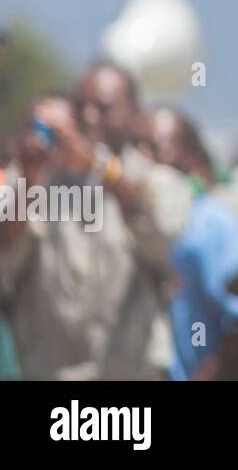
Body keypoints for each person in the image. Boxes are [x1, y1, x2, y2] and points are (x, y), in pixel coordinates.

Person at [0, 66, 192, 379]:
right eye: (81, 107)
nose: (89, 117)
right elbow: (7, 257)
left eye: (103, 108)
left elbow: (164, 234)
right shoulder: (41, 179)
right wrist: (31, 175)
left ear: (133, 113)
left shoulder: (155, 180)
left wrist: (99, 166)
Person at [137, 107, 238, 380]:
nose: (143, 157)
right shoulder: (131, 222)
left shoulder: (211, 222)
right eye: (137, 146)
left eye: (155, 146)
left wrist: (207, 373)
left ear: (189, 154)